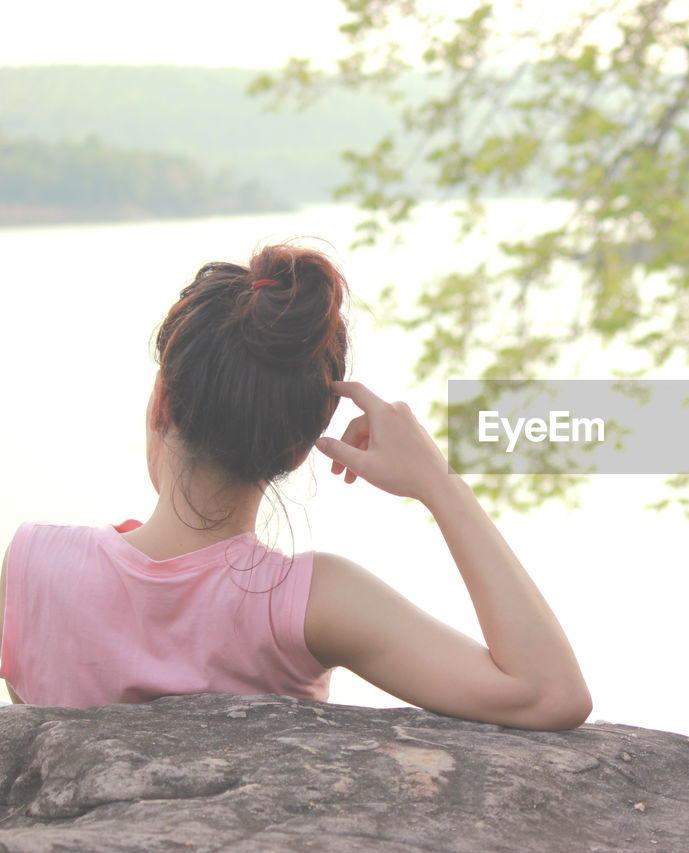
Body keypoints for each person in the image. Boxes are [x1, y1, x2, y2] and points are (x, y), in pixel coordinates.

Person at [0, 243, 592, 731]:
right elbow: (549, 694)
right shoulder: (310, 601)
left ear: (161, 403)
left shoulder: (33, 565)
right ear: (302, 446)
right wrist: (438, 484)